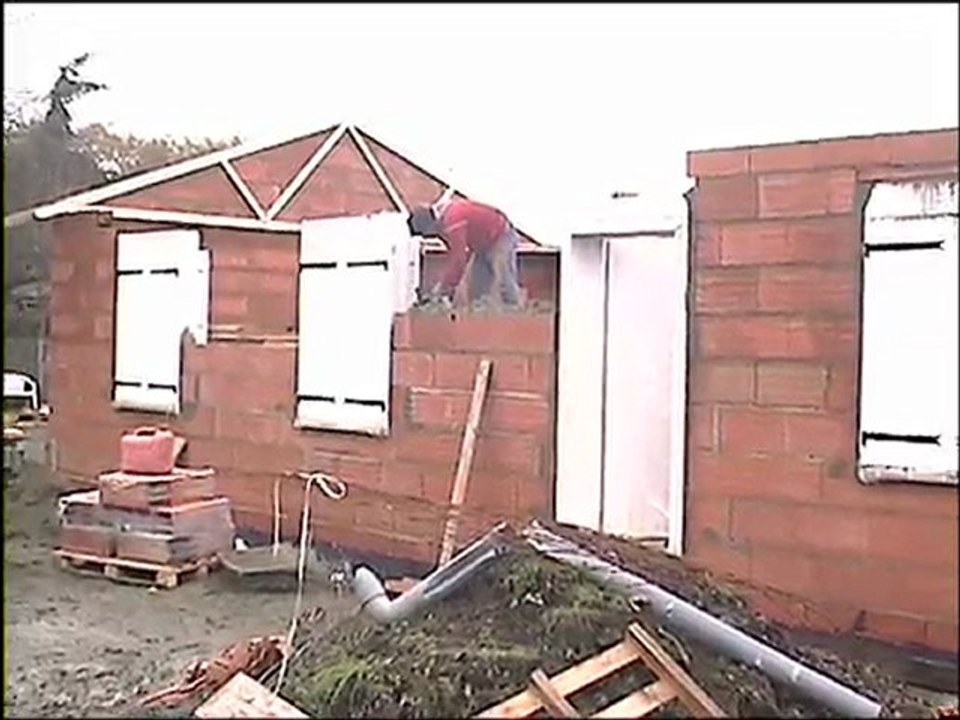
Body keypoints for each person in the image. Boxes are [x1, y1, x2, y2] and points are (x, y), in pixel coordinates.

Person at [407, 193, 522, 307]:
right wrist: (445, 285)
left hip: (501, 235)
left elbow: (458, 260)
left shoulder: (453, 221)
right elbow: (454, 258)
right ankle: (480, 316)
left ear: (430, 227)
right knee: (477, 288)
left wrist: (444, 289)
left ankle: (515, 314)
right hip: (482, 244)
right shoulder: (445, 221)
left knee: (504, 278)